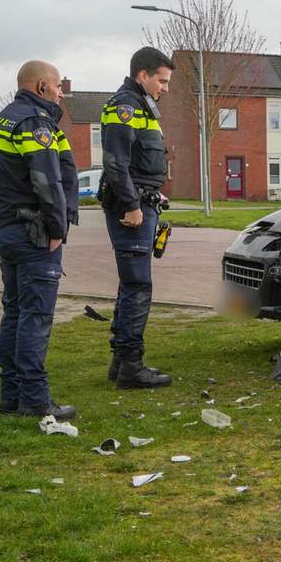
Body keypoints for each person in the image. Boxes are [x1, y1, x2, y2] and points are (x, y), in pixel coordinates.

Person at [0, 60, 79, 419]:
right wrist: (57, 230)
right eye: (57, 86)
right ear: (40, 87)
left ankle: (11, 397)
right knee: (36, 316)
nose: (61, 92)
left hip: (3, 231)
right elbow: (47, 180)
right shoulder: (34, 123)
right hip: (32, 233)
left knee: (15, 313)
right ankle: (35, 400)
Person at [98, 46, 175, 389]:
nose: (165, 87)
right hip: (131, 209)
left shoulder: (141, 105)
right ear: (143, 75)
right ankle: (131, 365)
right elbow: (116, 162)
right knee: (137, 285)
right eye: (162, 80)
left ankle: (121, 361)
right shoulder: (125, 107)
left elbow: (141, 161)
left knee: (132, 284)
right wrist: (131, 205)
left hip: (142, 203)